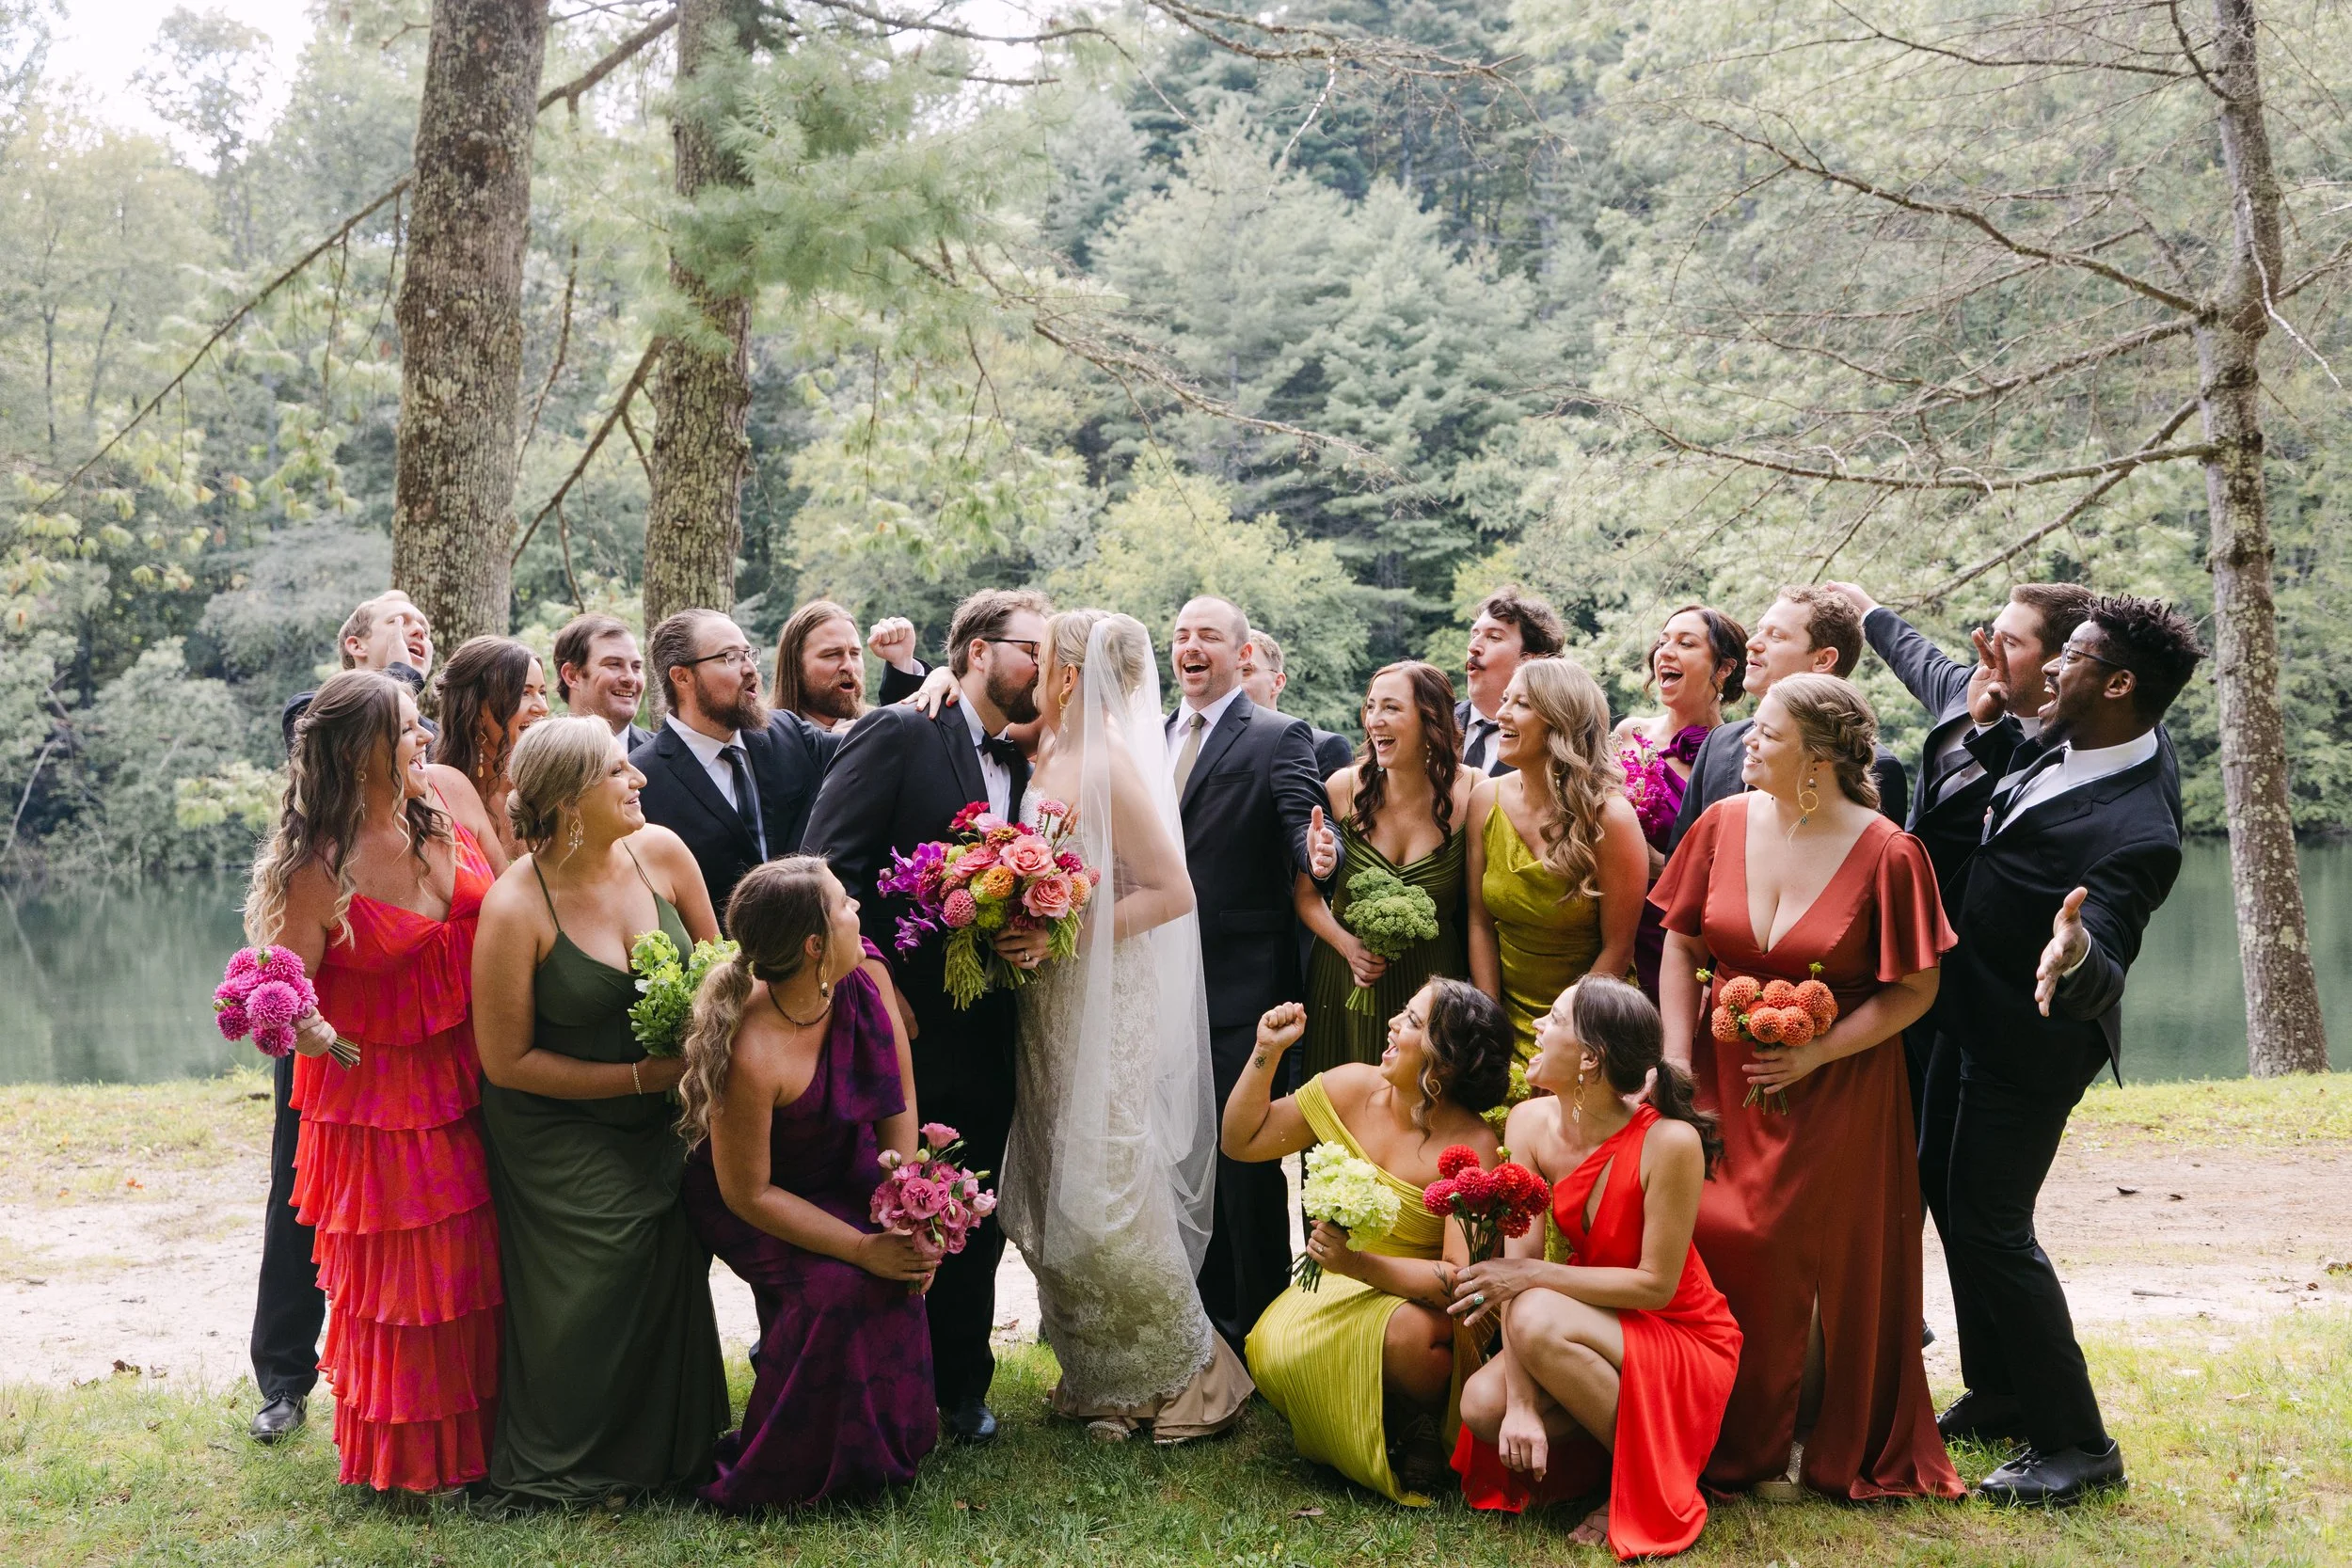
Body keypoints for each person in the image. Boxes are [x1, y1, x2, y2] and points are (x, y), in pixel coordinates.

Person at [1652, 673, 1960, 1501]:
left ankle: (1800, 1428)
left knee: (1787, 1247)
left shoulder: (1891, 851)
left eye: (1767, 731)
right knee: (1708, 1229)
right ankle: (1710, 1419)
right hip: (1716, 1074)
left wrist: (1820, 1055)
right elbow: (1680, 946)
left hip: (1839, 1086)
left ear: (1818, 758)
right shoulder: (1719, 823)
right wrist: (1676, 1059)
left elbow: (1916, 991)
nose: (1746, 740)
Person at [1922, 596, 2202, 1506]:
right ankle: (1999, 1388)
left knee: (1994, 1227)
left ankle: (2078, 1444)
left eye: (2070, 656)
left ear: (2119, 683)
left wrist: (2075, 955)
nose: (2048, 666)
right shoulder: (2072, 729)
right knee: (1945, 1186)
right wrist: (1990, 732)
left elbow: (2109, 933)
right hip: (1970, 1010)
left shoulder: (2143, 827)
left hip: (2030, 1043)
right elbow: (2027, 793)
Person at [801, 587, 1053, 1444]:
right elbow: (825, 866)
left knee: (971, 1204)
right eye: (1031, 648)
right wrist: (876, 980)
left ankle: (961, 1384)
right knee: (886, 1196)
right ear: (977, 651)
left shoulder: (1026, 757)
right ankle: (871, 1379)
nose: (1042, 667)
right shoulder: (902, 729)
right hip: (895, 1022)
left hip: (992, 1023)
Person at [243, 670, 502, 1493]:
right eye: (408, 729)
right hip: (379, 1101)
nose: (425, 737)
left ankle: (493, 1443)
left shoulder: (445, 814)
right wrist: (308, 1025)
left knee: (479, 1264)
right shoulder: (315, 867)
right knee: (413, 1280)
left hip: (478, 1068)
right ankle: (418, 1462)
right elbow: (282, 1001)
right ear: (362, 755)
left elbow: (514, 898)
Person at [997, 610, 1251, 1441]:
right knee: (1049, 1183)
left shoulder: (1109, 759)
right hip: (1053, 999)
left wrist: (1063, 923)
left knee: (1106, 1188)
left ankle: (1185, 1379)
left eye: (1043, 661)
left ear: (1069, 673)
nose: (1033, 672)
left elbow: (1172, 892)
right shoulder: (1053, 748)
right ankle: (1102, 1374)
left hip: (1109, 993)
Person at [468, 718, 729, 1505]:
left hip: (666, 1113)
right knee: (612, 1248)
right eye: (619, 771)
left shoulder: (666, 854)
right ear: (570, 799)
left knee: (679, 1234)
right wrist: (638, 1079)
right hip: (558, 1122)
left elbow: (722, 976)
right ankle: (570, 1457)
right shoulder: (516, 906)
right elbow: (505, 1060)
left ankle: (669, 1452)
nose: (639, 779)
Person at [677, 858, 940, 1507]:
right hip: (751, 1197)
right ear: (814, 946)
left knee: (898, 1264)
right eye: (844, 905)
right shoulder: (751, 1050)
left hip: (840, 1164)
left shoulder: (858, 981)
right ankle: (793, 1463)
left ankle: (887, 1443)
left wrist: (906, 1214)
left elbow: (898, 1106)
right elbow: (748, 1192)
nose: (859, 912)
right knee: (839, 1285)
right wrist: (858, 1247)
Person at [1451, 976, 1740, 1560]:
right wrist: (1524, 1408)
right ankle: (1615, 1455)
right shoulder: (1527, 1124)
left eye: (1553, 1018)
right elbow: (1519, 1267)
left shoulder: (1672, 1141)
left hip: (1679, 1331)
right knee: (1484, 1407)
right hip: (1589, 1316)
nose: (1535, 1026)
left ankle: (1641, 1483)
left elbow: (1656, 1287)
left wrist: (1531, 1280)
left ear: (1589, 1058)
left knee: (1533, 1312)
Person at [251, 592, 439, 1445]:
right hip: (337, 1024)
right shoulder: (322, 714)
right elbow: (320, 727)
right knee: (305, 1196)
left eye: (422, 621)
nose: (417, 628)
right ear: (353, 644)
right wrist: (380, 684)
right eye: (396, 618)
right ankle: (286, 1374)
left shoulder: (432, 752)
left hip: (428, 1027)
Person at [1224, 981, 1513, 1504]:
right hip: (1341, 1282)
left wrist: (1358, 1265)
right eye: (1402, 1013)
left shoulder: (1474, 1145)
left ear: (1444, 1063)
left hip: (1420, 1307)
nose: (1392, 1025)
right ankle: (1354, 1424)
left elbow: (1459, 1284)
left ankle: (1418, 1423)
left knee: (1405, 1341)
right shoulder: (1351, 1087)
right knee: (1268, 1346)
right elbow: (1242, 1142)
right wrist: (1266, 1050)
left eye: (1413, 1022)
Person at [1166, 594, 1340, 1351]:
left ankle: (1259, 1330)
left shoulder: (1276, 734)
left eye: (1207, 634)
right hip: (1160, 980)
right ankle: (1198, 1321)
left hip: (1241, 980)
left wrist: (1317, 856)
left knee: (1242, 1162)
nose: (1190, 645)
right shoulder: (1149, 735)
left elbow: (1302, 824)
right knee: (1181, 1151)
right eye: (1179, 634)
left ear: (1242, 654)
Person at [1466, 657, 1647, 1068]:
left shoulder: (1611, 819)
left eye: (1522, 704)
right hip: (1499, 1016)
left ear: (1561, 723)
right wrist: (1491, 1020)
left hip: (1588, 1021)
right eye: (1505, 700)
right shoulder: (1484, 799)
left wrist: (1562, 1030)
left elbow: (1618, 949)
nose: (1501, 714)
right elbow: (1478, 921)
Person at [1296, 661, 1476, 1075]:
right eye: (1371, 707)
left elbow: (1480, 916)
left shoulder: (1473, 792)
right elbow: (1306, 899)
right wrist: (1349, 947)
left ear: (1430, 719)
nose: (1375, 720)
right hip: (1342, 981)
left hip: (1432, 988)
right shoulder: (1341, 788)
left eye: (1392, 708)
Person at [632, 610, 839, 927]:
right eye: (729, 657)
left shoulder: (786, 732)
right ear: (682, 676)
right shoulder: (642, 779)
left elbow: (869, 750)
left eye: (748, 654)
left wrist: (932, 677)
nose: (749, 668)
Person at [1664, 588, 1908, 853]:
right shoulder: (1718, 743)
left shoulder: (1876, 767)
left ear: (1823, 659)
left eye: (1776, 636)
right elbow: (1681, 864)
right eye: (1759, 630)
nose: (1752, 644)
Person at [1612, 605, 1747, 997]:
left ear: (1723, 669)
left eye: (1685, 643)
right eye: (1663, 641)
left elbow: (1729, 871)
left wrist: (1655, 865)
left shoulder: (1737, 758)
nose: (1665, 652)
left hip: (1679, 936)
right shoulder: (1627, 734)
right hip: (1607, 923)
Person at [430, 636, 550, 866]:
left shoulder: (551, 788)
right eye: (524, 693)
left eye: (542, 692)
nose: (543, 708)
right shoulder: (438, 798)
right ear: (475, 708)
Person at [278, 590, 437, 751]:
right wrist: (402, 676)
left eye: (426, 630)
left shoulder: (439, 736)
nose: (420, 631)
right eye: (399, 621)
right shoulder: (309, 707)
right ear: (357, 646)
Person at [1457, 586, 1565, 777]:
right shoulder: (1434, 725)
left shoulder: (1557, 743)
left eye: (1494, 637)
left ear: (1530, 660)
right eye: (1474, 635)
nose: (1473, 647)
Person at [1241, 626, 1354, 778]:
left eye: (1246, 670)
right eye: (1230, 673)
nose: (1234, 682)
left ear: (1278, 682)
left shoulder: (1324, 748)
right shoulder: (1204, 745)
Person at [551, 613, 651, 752]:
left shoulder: (670, 761)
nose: (630, 678)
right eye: (614, 664)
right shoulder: (539, 758)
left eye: (636, 667)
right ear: (572, 676)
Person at [771, 598, 870, 732]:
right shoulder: (764, 740)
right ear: (796, 665)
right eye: (832, 654)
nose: (849, 667)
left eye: (854, 653)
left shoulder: (875, 729)